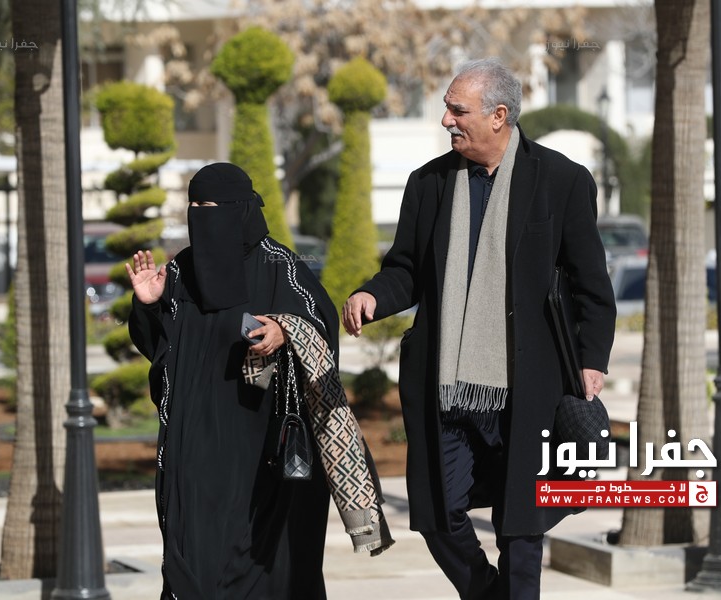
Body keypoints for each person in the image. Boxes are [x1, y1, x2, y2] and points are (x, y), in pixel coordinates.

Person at [342, 58, 616, 599]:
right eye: (447, 108)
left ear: (498, 116)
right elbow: (406, 269)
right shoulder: (428, 184)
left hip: (531, 385)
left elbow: (591, 283)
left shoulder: (562, 180)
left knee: (521, 526)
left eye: (457, 110)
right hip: (447, 386)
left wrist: (592, 360)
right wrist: (373, 295)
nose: (446, 120)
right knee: (437, 514)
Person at [128, 162, 391, 600]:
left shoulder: (279, 266)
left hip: (263, 452)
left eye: (212, 207)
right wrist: (149, 305)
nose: (202, 217)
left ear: (242, 209)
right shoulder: (180, 271)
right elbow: (159, 347)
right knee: (192, 561)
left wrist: (285, 330)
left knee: (268, 568)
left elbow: (320, 325)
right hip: (196, 449)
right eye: (195, 206)